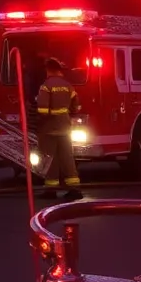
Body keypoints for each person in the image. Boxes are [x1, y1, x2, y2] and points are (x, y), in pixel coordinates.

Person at [36, 57, 82, 200]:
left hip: (49, 129)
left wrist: (39, 123)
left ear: (48, 70)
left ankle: (51, 190)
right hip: (65, 127)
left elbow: (42, 110)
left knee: (49, 159)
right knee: (67, 158)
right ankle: (74, 189)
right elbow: (76, 106)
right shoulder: (68, 86)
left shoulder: (46, 86)